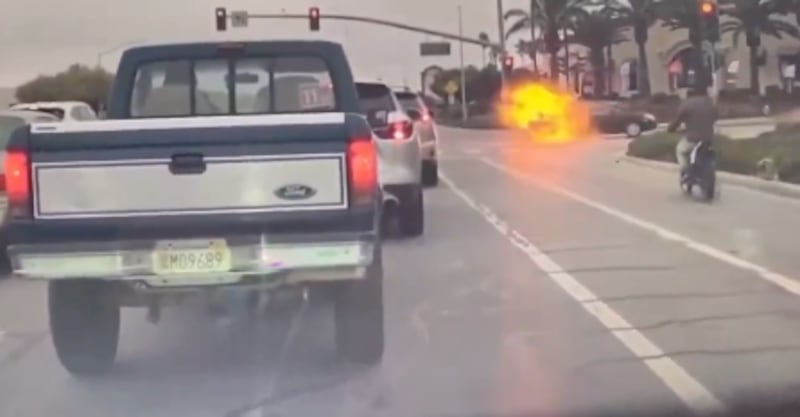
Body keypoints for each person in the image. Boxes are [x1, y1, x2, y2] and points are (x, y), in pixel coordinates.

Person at [667, 83, 718, 180]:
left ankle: (686, 171)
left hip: (692, 139)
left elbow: (676, 121)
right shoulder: (710, 103)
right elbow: (715, 117)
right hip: (708, 139)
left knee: (681, 150)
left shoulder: (686, 104)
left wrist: (671, 129)